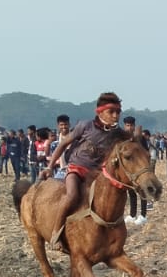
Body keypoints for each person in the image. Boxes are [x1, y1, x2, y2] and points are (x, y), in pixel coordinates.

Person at [42, 93, 124, 234]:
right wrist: (50, 167)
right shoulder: (85, 126)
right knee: (72, 196)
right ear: (100, 112)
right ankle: (57, 231)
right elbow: (63, 145)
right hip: (77, 169)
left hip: (98, 175)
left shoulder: (117, 133)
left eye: (118, 112)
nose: (115, 116)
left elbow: (133, 142)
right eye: (111, 112)